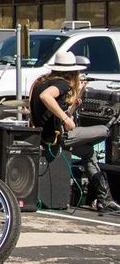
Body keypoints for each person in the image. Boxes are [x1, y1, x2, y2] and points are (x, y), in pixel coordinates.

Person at [29, 51, 120, 213]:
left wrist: (73, 107)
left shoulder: (42, 82)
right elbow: (46, 97)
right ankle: (103, 199)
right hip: (58, 137)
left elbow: (52, 113)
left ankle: (104, 199)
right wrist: (66, 118)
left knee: (88, 152)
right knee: (104, 130)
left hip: (47, 137)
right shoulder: (62, 84)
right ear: (73, 72)